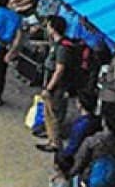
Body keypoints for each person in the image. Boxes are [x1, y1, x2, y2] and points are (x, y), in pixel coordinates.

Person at [37, 15, 79, 153]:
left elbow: (59, 69)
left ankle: (55, 142)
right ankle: (51, 137)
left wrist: (49, 88)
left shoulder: (62, 48)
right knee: (50, 113)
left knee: (53, 114)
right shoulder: (58, 44)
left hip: (57, 86)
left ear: (53, 28)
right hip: (54, 84)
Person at [71, 113, 115, 187]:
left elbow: (79, 164)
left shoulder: (91, 141)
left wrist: (70, 173)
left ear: (104, 123)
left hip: (91, 180)